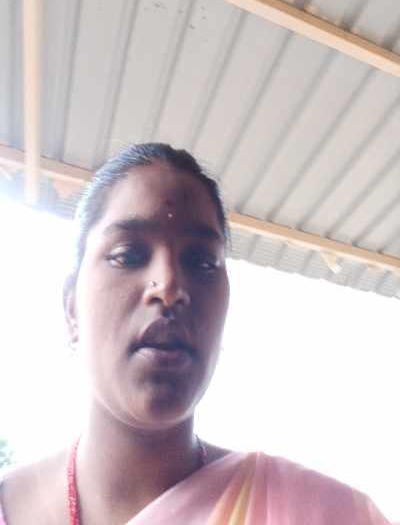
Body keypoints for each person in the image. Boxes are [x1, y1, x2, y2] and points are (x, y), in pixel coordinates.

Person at [0, 143, 390, 524]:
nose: (169, 286)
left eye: (202, 262)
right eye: (128, 255)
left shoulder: (325, 514)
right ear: (71, 307)